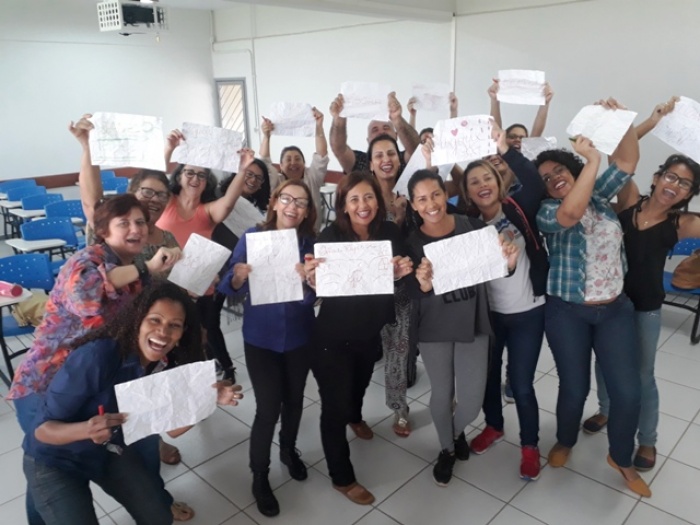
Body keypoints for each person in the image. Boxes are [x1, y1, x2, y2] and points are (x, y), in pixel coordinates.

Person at [8, 195, 182, 524]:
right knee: (47, 460)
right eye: (124, 223)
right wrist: (145, 267)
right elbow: (85, 298)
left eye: (140, 222)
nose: (135, 229)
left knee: (94, 445)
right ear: (103, 230)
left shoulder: (138, 273)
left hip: (94, 380)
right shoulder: (87, 260)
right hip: (45, 383)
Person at [23, 282, 243, 525]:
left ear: (182, 333)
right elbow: (41, 431)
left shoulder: (167, 364)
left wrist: (208, 400)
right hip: (57, 459)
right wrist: (86, 429)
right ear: (137, 320)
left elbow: (173, 430)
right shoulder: (97, 356)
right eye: (155, 320)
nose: (163, 332)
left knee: (159, 517)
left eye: (174, 325)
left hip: (108, 451)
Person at [534, 98, 650, 498]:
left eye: (559, 171)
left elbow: (629, 161)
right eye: (546, 178)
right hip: (568, 311)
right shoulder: (547, 212)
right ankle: (565, 439)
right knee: (574, 386)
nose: (554, 179)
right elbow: (570, 214)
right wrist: (593, 161)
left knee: (627, 392)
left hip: (615, 310)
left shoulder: (599, 195)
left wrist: (621, 119)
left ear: (573, 169)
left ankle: (621, 457)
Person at [582, 97, 700, 472]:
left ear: (688, 194)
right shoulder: (629, 199)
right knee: (604, 364)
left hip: (646, 309)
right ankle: (606, 410)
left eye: (685, 184)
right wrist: (651, 120)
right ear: (656, 177)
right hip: (611, 303)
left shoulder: (684, 223)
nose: (675, 185)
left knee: (643, 377)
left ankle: (647, 440)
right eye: (671, 176)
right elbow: (622, 151)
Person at [69, 114, 184, 466]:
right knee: (107, 402)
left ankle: (151, 443)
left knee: (145, 397)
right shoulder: (111, 228)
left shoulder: (166, 238)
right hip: (107, 331)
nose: (153, 199)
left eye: (161, 195)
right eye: (146, 192)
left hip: (146, 336)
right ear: (131, 194)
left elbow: (172, 288)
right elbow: (91, 197)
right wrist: (88, 147)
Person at [303, 172, 413, 505]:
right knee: (333, 407)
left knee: (360, 384)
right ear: (344, 206)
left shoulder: (389, 232)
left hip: (369, 331)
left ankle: (355, 416)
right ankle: (342, 477)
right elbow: (320, 287)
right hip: (331, 337)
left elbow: (401, 279)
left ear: (378, 201)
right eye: (354, 199)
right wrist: (312, 280)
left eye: (368, 197)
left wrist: (400, 273)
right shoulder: (331, 237)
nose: (362, 205)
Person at [405, 169, 517, 487]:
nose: (431, 204)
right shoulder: (411, 242)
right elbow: (409, 291)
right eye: (422, 199)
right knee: (442, 394)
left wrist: (509, 263)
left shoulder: (473, 228)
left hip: (473, 322)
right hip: (434, 328)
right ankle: (447, 449)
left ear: (446, 194)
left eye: (436, 195)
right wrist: (422, 284)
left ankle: (454, 433)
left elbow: (498, 267)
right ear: (413, 205)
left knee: (471, 400)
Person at [218, 180, 318, 517]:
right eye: (287, 199)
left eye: (301, 202)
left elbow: (316, 297)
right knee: (268, 407)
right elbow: (228, 287)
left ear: (307, 211)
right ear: (274, 202)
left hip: (300, 336)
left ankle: (288, 450)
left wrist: (310, 282)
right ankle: (259, 475)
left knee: (295, 400)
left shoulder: (310, 244)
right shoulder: (252, 237)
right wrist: (237, 277)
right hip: (261, 338)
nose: (293, 207)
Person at [457, 130, 548, 481]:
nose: (482, 185)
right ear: (467, 192)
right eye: (474, 182)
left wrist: (505, 148)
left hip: (528, 311)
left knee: (521, 385)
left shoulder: (519, 207)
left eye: (487, 178)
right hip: (489, 315)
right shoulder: (466, 224)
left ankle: (530, 446)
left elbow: (532, 180)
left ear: (498, 182)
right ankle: (494, 426)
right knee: (489, 377)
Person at [160, 135, 251, 381]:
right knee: (175, 332)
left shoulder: (207, 211)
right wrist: (168, 149)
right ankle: (190, 375)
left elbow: (229, 201)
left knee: (209, 329)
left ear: (206, 182)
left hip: (200, 284)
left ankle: (227, 368)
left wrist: (243, 169)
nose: (195, 179)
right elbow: (156, 180)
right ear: (179, 176)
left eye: (201, 175)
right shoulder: (166, 202)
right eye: (189, 172)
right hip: (167, 282)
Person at [367, 133, 411, 436]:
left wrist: (403, 216)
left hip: (407, 288)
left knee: (399, 351)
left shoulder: (411, 191)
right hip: (371, 289)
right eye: (379, 155)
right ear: (371, 163)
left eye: (391, 153)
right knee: (371, 351)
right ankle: (358, 412)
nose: (386, 160)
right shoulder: (365, 197)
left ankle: (400, 409)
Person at [259, 107, 329, 232]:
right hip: (280, 234)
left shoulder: (312, 177)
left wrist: (319, 127)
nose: (293, 163)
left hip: (310, 234)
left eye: (297, 159)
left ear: (304, 163)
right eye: (288, 159)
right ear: (281, 165)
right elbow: (264, 163)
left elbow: (321, 155)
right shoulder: (276, 181)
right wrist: (266, 137)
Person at [329, 92, 420, 174]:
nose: (381, 132)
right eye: (375, 130)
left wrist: (397, 119)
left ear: (396, 136)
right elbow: (339, 149)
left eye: (386, 128)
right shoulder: (361, 161)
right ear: (368, 140)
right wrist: (339, 119)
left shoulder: (402, 159)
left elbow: (415, 149)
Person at [488, 79, 555, 150]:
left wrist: (545, 103)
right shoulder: (498, 153)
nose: (517, 140)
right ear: (503, 138)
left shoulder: (528, 154)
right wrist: (494, 100)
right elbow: (496, 128)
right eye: (512, 137)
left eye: (522, 138)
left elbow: (537, 132)